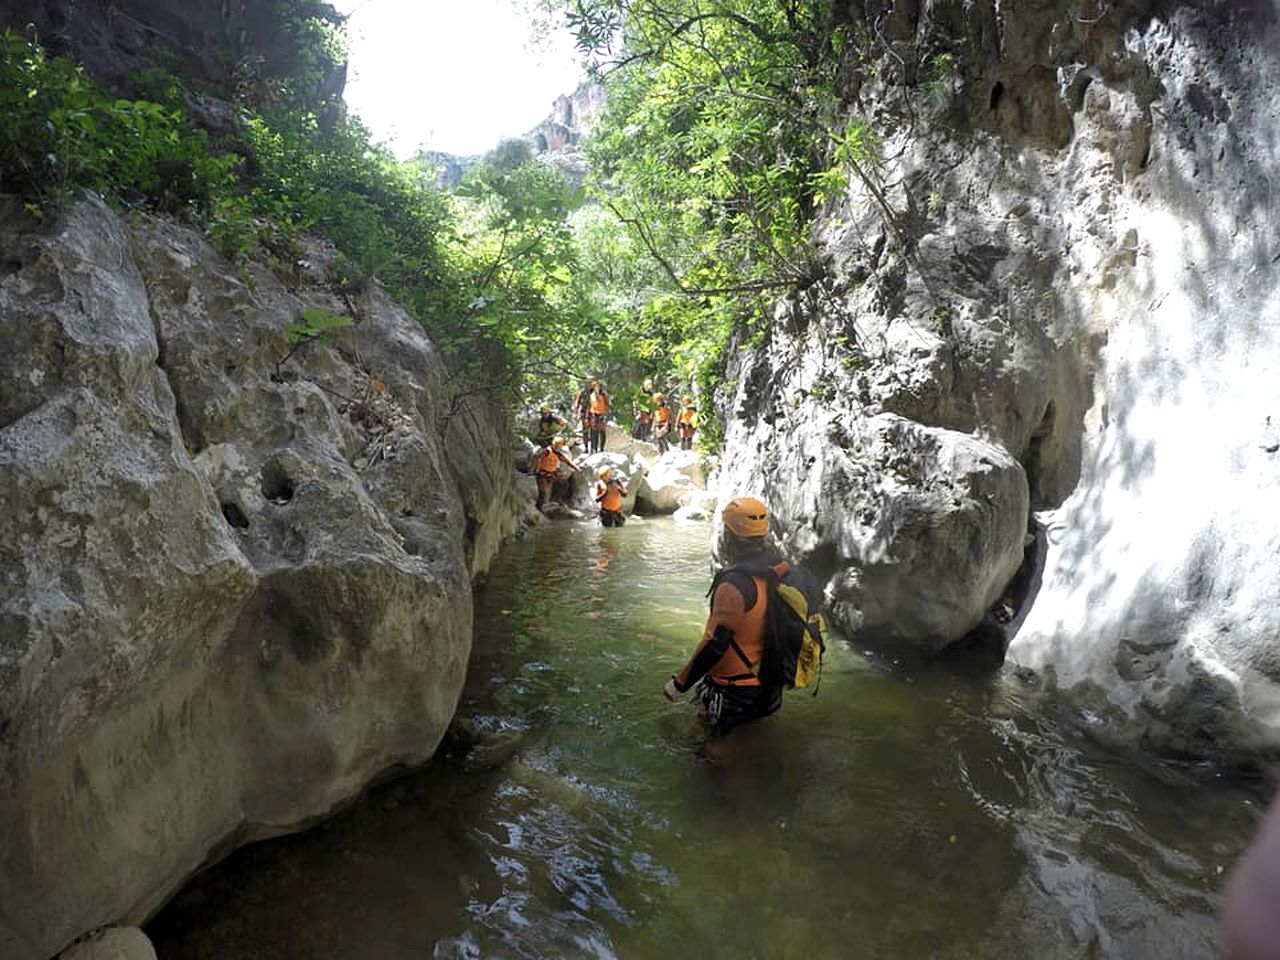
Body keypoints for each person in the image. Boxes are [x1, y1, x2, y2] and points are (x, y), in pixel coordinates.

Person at [663, 496, 785, 736]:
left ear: (728, 536)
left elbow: (716, 643)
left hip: (734, 689)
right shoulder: (779, 570)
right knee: (748, 744)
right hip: (770, 683)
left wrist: (679, 685)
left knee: (713, 757)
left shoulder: (734, 584)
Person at [533, 436, 577, 511]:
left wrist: (576, 468)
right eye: (557, 445)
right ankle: (539, 508)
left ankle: (556, 500)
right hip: (542, 474)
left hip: (551, 474)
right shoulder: (547, 451)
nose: (558, 446)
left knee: (564, 484)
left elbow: (566, 461)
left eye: (559, 445)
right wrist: (536, 468)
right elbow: (537, 458)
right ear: (554, 444)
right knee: (542, 493)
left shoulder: (557, 453)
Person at [587, 380, 610, 454]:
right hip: (593, 414)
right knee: (594, 432)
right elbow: (589, 405)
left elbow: (607, 405)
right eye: (594, 386)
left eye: (597, 386)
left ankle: (602, 448)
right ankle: (594, 448)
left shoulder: (604, 394)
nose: (596, 388)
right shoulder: (591, 394)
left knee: (602, 431)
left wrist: (605, 413)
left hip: (602, 414)